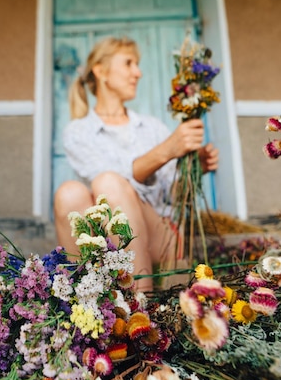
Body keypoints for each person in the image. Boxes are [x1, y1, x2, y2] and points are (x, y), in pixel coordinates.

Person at [53, 36, 219, 292]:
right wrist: (165, 151)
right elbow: (115, 184)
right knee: (70, 193)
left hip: (160, 241)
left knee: (108, 183)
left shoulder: (152, 128)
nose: (138, 73)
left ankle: (142, 302)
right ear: (100, 71)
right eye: (129, 63)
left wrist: (194, 170)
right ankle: (84, 300)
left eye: (138, 64)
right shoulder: (78, 132)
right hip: (107, 242)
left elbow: (172, 198)